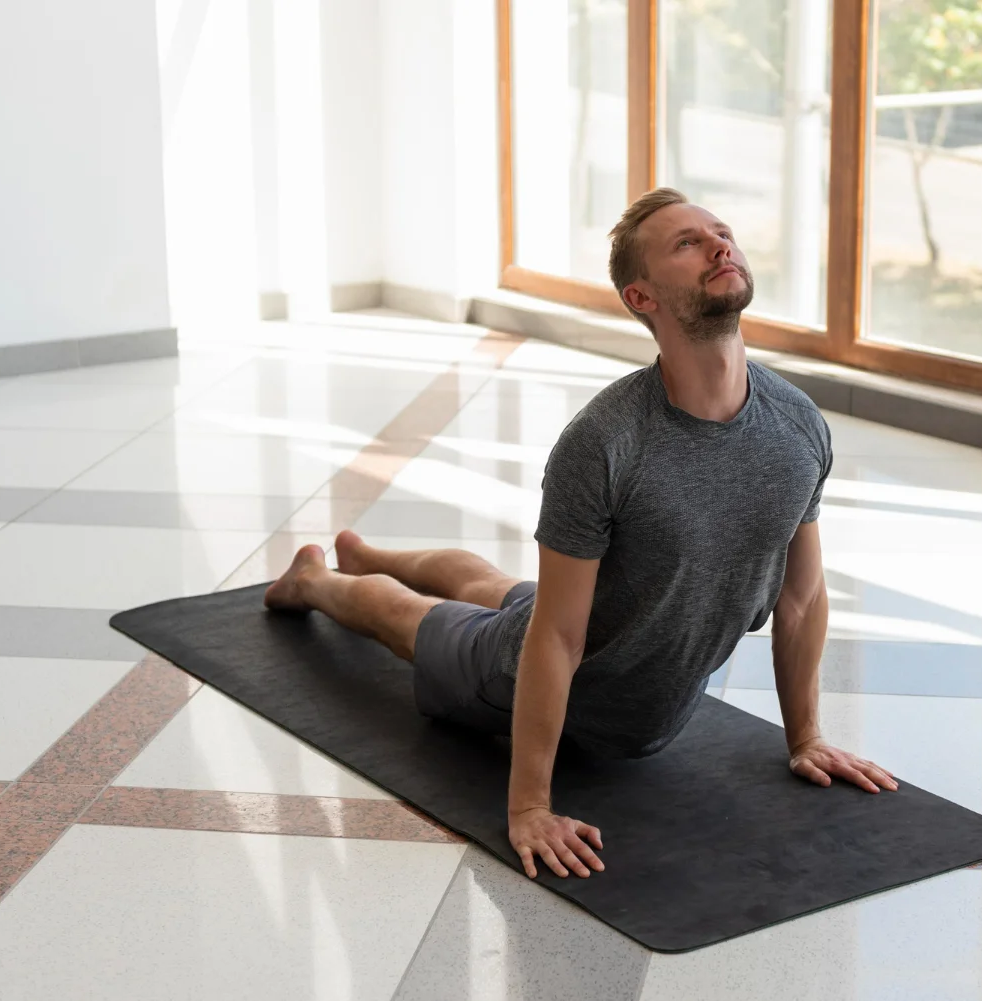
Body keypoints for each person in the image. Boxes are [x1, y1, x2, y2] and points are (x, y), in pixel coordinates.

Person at [264, 187, 897, 882]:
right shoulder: (605, 442)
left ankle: (368, 551)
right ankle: (318, 580)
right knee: (409, 617)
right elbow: (558, 637)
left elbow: (801, 600)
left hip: (610, 633)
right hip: (531, 670)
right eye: (687, 244)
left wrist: (805, 735)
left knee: (496, 587)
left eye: (721, 233)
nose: (720, 245)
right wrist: (530, 804)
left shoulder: (799, 424)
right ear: (642, 297)